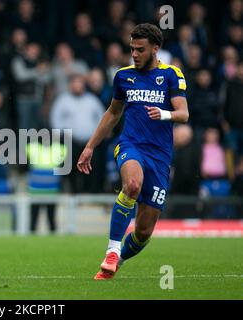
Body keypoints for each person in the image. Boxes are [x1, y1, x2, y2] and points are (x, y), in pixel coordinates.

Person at [77, 23, 189, 280]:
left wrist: (164, 114)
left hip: (160, 156)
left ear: (155, 49)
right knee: (132, 184)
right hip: (131, 145)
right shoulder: (123, 76)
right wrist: (90, 147)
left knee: (143, 232)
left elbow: (184, 113)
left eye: (140, 49)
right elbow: (113, 112)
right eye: (132, 49)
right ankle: (112, 251)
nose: (135, 54)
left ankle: (120, 260)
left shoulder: (172, 75)